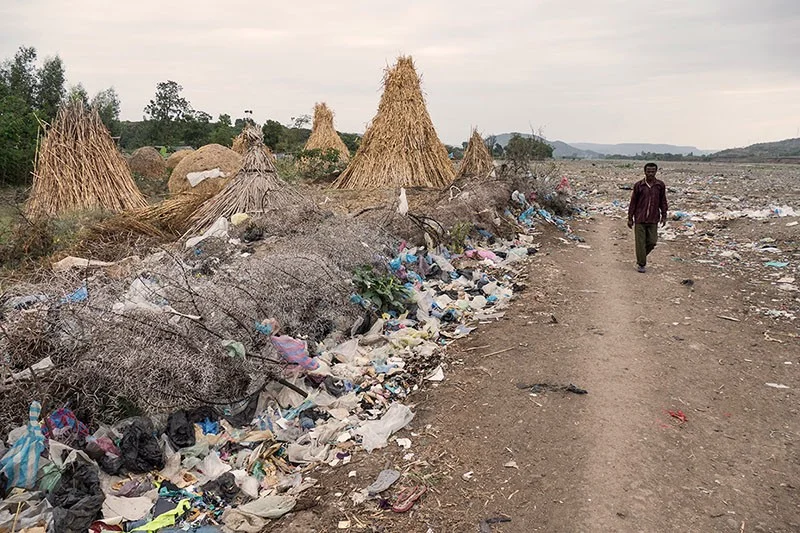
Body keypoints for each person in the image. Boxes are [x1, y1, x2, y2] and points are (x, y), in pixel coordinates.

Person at [627, 162, 668, 273]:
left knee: (652, 241)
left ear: (656, 172)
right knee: (640, 242)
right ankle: (641, 264)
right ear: (644, 172)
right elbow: (633, 202)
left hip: (653, 218)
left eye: (652, 171)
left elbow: (663, 201)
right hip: (640, 218)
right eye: (648, 171)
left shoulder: (660, 185)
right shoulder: (639, 185)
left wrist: (664, 215)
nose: (650, 173)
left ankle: (641, 255)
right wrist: (630, 217)